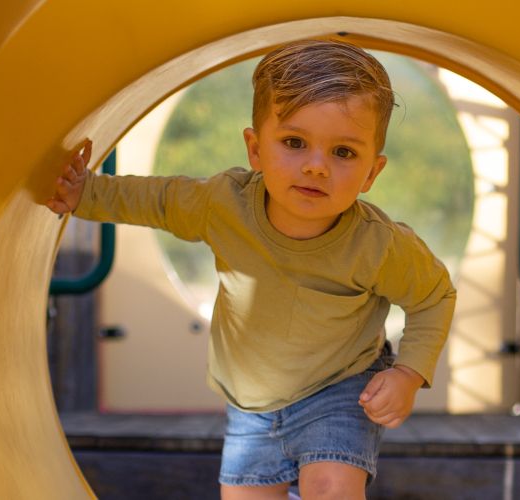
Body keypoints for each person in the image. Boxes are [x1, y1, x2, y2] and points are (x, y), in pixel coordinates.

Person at [47, 39, 456, 500]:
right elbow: (157, 200)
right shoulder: (225, 205)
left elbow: (434, 295)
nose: (316, 167)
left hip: (340, 388)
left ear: (371, 173)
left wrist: (408, 373)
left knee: (330, 488)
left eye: (343, 152)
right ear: (256, 148)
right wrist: (84, 194)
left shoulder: (378, 245)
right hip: (250, 405)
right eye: (294, 143)